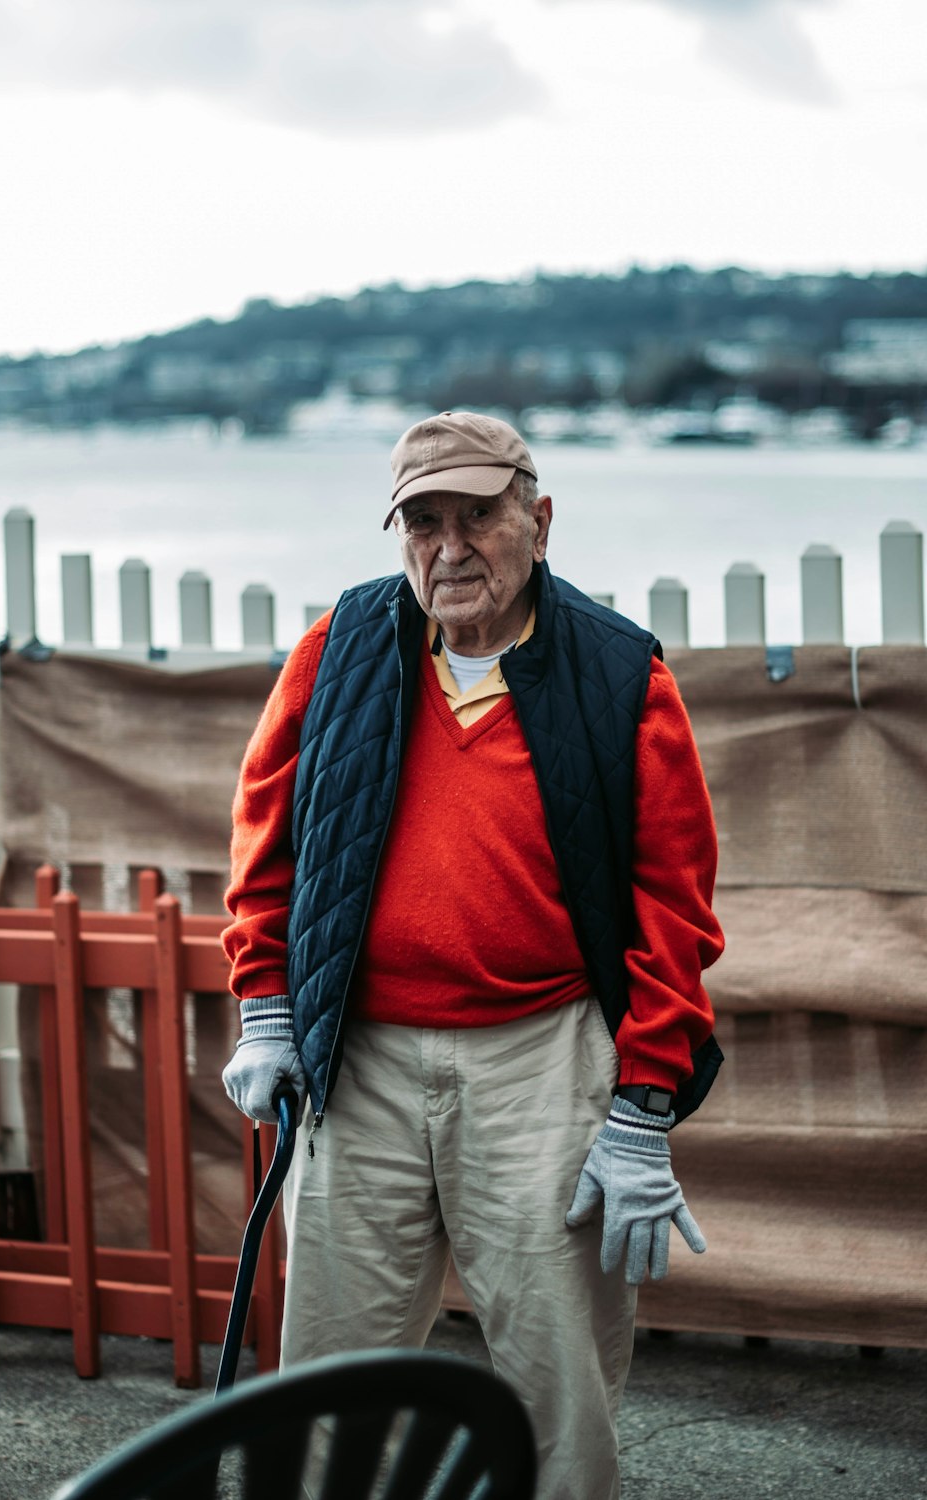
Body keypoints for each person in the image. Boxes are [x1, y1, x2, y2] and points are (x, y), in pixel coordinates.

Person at [221, 410, 724, 1500]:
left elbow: (673, 913)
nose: (449, 548)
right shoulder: (339, 647)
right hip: (358, 1061)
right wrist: (266, 1005)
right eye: (423, 521)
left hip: (541, 1061)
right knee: (328, 1372)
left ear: (537, 521)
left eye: (478, 518)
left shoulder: (621, 674)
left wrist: (641, 1112)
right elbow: (267, 835)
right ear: (397, 533)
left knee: (558, 1380)